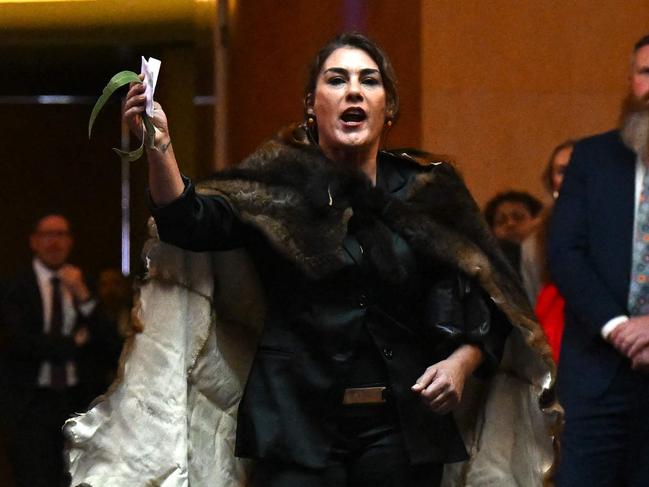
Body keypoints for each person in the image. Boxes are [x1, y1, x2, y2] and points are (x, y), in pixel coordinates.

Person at [66, 33, 558, 486]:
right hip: (294, 430)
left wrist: (460, 363)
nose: (354, 91)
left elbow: (494, 301)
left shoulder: (431, 191)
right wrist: (161, 146)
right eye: (336, 80)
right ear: (311, 106)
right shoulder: (278, 187)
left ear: (389, 107)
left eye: (369, 81)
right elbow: (188, 221)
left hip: (404, 434)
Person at [548, 34, 649, 487]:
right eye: (647, 73)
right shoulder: (591, 158)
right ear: (631, 81)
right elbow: (565, 252)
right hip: (596, 373)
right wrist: (618, 327)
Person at [0, 213, 116, 487]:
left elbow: (110, 344)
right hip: (30, 404)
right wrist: (73, 343)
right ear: (34, 241)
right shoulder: (14, 287)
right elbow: (20, 343)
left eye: (62, 234)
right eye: (48, 235)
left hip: (76, 404)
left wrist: (84, 297)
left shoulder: (83, 282)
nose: (55, 242)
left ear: (70, 241)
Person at [523, 140, 575, 363]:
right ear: (551, 181)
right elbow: (532, 294)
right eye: (562, 171)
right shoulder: (535, 239)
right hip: (554, 335)